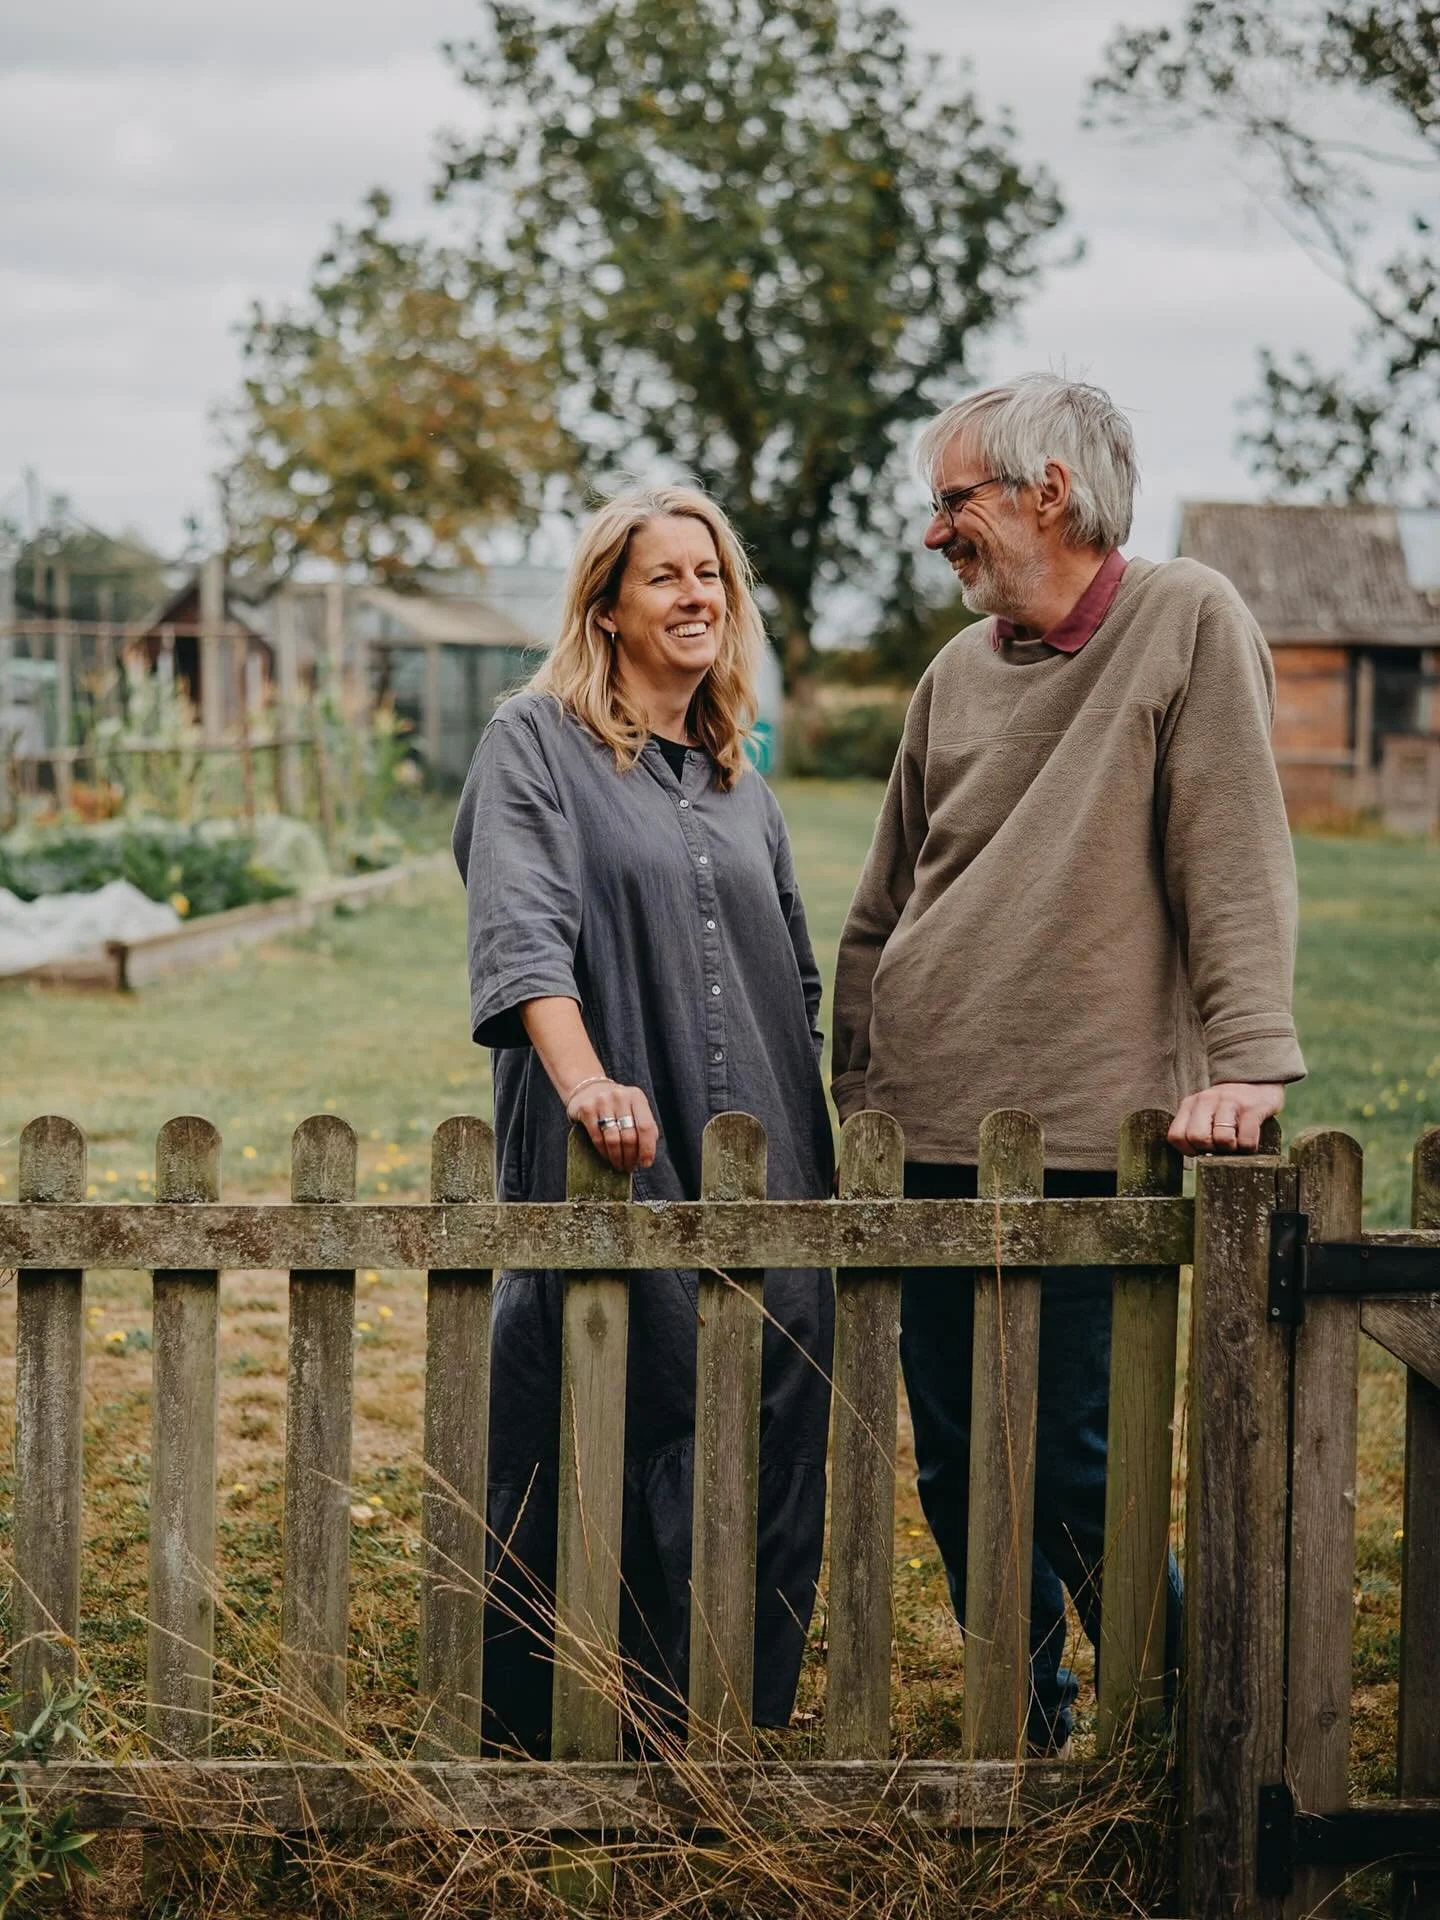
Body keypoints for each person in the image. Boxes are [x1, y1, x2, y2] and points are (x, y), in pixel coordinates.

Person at [831, 373, 1305, 1751]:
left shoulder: (1184, 619)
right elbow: (881, 902)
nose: (938, 535)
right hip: (925, 1126)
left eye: (955, 502)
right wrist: (856, 1087)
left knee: (1078, 1461)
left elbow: (1231, 852)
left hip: (1096, 1123)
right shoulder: (954, 671)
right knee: (962, 1464)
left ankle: (1172, 1740)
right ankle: (1025, 1726)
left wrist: (1252, 1065)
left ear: (1052, 490)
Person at [452, 483, 834, 1754]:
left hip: (765, 1164)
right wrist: (587, 1086)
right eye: (665, 576)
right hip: (615, 1157)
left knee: (766, 1448)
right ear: (606, 606)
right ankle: (565, 1744)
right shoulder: (535, 742)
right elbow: (522, 934)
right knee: (599, 1434)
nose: (696, 597)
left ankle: (724, 1739)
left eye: (711, 576)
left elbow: (795, 971)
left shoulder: (740, 781)